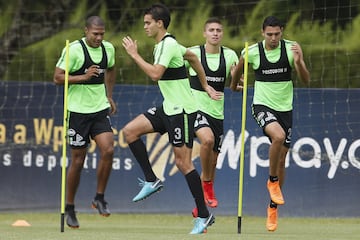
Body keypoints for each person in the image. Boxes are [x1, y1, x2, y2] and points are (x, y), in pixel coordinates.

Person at [121, 3, 221, 234]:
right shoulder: (167, 45)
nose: (144, 26)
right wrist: (205, 86)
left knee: (182, 163)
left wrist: (134, 54)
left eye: (148, 22)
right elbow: (194, 57)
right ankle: (151, 179)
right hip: (169, 108)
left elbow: (156, 74)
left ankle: (204, 216)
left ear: (160, 23)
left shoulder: (168, 44)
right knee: (130, 132)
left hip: (183, 111)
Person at [231, 16, 310, 232]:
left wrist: (300, 62)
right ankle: (272, 181)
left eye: (277, 34)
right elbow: (238, 69)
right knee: (278, 136)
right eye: (269, 34)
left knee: (282, 158)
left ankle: (273, 207)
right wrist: (234, 84)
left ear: (282, 31)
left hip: (285, 109)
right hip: (262, 105)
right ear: (262, 32)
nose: (273, 38)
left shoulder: (291, 49)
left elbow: (305, 80)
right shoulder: (253, 51)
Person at [53, 16, 116, 229]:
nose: (98, 38)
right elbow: (58, 78)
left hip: (99, 109)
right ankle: (69, 208)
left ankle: (99, 197)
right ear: (86, 31)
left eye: (102, 34)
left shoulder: (108, 49)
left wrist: (109, 95)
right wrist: (83, 77)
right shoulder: (74, 50)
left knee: (108, 150)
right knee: (78, 161)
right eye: (94, 34)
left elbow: (112, 69)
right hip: (77, 112)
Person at [186, 17, 238, 216]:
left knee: (213, 162)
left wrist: (236, 80)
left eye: (218, 30)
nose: (215, 33)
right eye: (211, 30)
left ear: (222, 33)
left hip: (217, 113)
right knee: (206, 140)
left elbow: (237, 86)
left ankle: (200, 209)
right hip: (196, 109)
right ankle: (207, 183)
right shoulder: (193, 53)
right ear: (204, 33)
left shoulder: (230, 55)